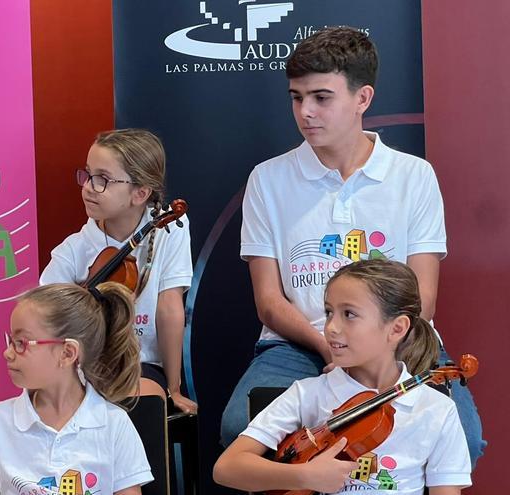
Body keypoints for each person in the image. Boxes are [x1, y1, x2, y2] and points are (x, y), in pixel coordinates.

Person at [220, 26, 484, 465]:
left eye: (321, 97)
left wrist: (367, 350)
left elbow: (423, 297)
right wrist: (332, 347)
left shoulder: (413, 175)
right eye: (296, 97)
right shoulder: (267, 178)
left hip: (398, 342)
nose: (305, 112)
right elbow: (269, 301)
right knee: (238, 430)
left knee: (465, 439)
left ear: (363, 98)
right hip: (298, 344)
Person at [213, 259, 470, 494]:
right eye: (328, 312)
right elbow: (227, 468)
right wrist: (304, 476)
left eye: (349, 314)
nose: (331, 327)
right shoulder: (308, 394)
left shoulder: (436, 410)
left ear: (397, 328)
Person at [40, 129, 196, 414]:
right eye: (87, 175)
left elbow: (169, 310)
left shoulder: (170, 229)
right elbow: (44, 313)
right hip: (83, 365)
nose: (88, 186)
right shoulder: (74, 249)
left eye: (103, 180)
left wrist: (173, 387)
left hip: (141, 363)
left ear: (140, 193)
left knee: (144, 401)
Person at [0, 282, 154, 495]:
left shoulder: (115, 425)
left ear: (68, 353)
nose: (8, 353)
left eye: (21, 342)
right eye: (10, 341)